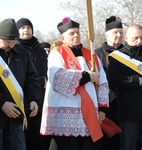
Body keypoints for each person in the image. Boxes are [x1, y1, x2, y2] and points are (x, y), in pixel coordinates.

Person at [40, 17, 109, 150]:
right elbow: (57, 77)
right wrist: (86, 76)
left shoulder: (91, 55)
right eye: (72, 33)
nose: (76, 35)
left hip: (89, 113)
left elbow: (103, 82)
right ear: (63, 38)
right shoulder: (56, 54)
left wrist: (103, 109)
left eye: (77, 32)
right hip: (66, 116)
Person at [108, 24, 142, 150]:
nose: (139, 42)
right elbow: (113, 80)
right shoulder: (117, 57)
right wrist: (135, 81)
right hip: (128, 111)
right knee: (128, 145)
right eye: (135, 38)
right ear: (126, 38)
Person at [0, 18, 40, 150]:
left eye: (13, 42)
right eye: (7, 42)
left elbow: (31, 79)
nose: (10, 46)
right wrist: (2, 103)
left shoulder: (22, 54)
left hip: (16, 119)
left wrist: (34, 99)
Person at [16, 18, 51, 150]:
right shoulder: (16, 49)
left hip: (42, 99)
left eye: (28, 28)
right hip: (24, 99)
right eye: (23, 28)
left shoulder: (40, 48)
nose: (26, 30)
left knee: (41, 137)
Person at [95, 16, 123, 150]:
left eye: (121, 32)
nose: (118, 35)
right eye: (115, 32)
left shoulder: (127, 53)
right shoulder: (96, 54)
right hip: (106, 105)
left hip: (126, 104)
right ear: (107, 35)